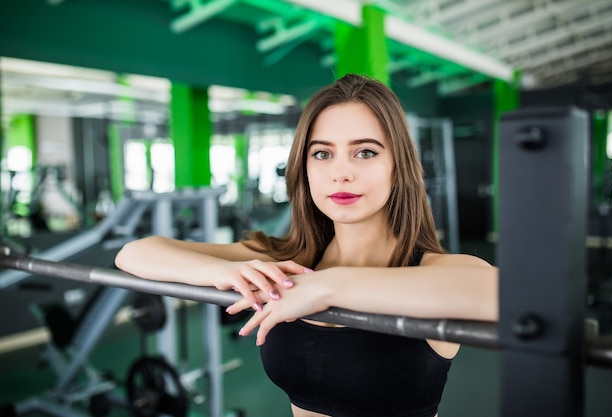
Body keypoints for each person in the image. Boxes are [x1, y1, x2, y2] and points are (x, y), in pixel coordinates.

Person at [115, 74, 498, 417]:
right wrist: (220, 270)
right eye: (322, 153)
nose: (340, 172)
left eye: (365, 152)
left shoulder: (432, 272)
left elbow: (504, 294)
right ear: (305, 167)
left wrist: (328, 286)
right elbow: (134, 253)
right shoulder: (287, 262)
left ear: (398, 166)